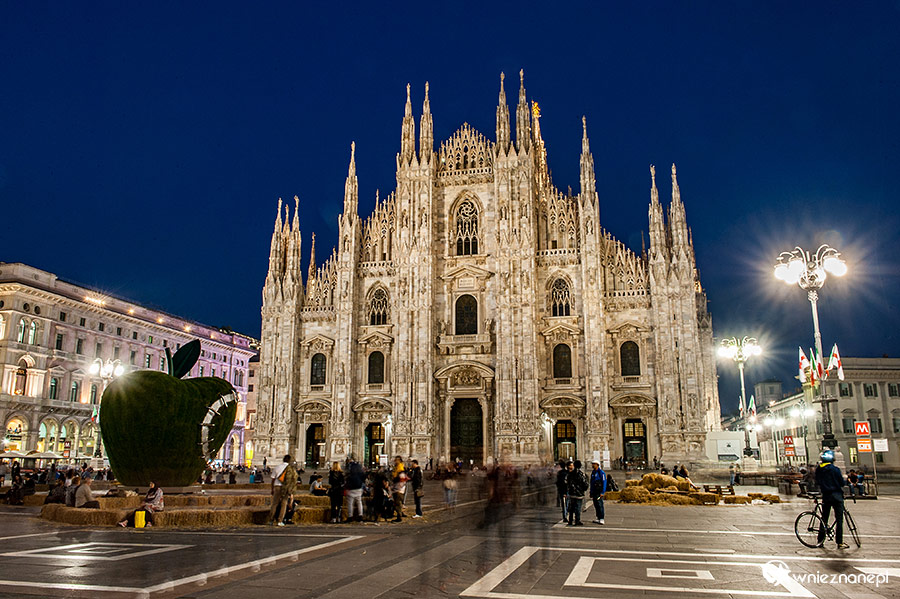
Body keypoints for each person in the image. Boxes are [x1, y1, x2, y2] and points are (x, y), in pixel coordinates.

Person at [815, 449, 848, 549]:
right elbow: (842, 483)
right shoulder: (835, 469)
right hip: (837, 495)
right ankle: (839, 542)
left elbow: (817, 481)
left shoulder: (819, 469)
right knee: (839, 519)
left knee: (824, 518)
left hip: (826, 495)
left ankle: (820, 540)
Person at [268, 454, 296, 526]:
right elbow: (294, 480)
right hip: (286, 487)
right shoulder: (291, 469)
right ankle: (280, 521)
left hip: (277, 486)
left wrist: (272, 489)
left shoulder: (277, 467)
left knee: (275, 504)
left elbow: (273, 479)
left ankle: (271, 520)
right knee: (284, 504)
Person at [565, 460, 588, 526]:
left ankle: (570, 520)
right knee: (578, 507)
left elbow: (567, 482)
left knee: (571, 507)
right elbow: (585, 484)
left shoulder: (570, 474)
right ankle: (577, 520)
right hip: (579, 494)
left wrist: (570, 489)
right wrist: (583, 489)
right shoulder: (581, 474)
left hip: (572, 493)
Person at [344, 456, 365, 523]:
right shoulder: (359, 469)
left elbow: (347, 478)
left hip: (351, 489)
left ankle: (350, 516)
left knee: (350, 504)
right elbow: (363, 477)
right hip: (358, 488)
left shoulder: (350, 470)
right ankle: (360, 516)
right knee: (359, 502)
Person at [589, 459, 607, 525]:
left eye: (594, 464)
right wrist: (591, 491)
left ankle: (601, 518)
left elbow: (604, 482)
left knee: (600, 504)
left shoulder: (601, 473)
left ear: (597, 465)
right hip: (594, 491)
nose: (592, 465)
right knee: (596, 505)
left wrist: (603, 492)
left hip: (599, 491)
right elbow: (591, 483)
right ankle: (598, 517)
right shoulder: (593, 473)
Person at [391, 456, 407, 522]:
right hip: (397, 488)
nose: (395, 461)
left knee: (398, 503)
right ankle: (399, 514)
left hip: (398, 489)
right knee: (398, 503)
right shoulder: (396, 468)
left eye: (396, 460)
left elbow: (402, 480)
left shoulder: (400, 469)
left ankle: (399, 517)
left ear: (399, 461)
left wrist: (398, 487)